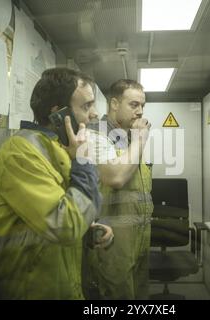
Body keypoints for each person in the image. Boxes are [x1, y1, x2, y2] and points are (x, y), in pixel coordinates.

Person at [0, 67, 113, 299]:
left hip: (62, 284)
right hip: (33, 289)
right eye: (86, 106)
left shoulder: (60, 149)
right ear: (58, 113)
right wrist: (84, 161)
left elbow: (60, 211)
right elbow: (65, 226)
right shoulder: (20, 153)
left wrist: (88, 230)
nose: (94, 114)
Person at [85, 79, 153, 300]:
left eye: (142, 106)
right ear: (114, 103)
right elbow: (115, 178)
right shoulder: (95, 134)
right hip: (111, 242)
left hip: (138, 238)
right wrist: (140, 141)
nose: (140, 111)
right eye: (133, 105)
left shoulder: (129, 138)